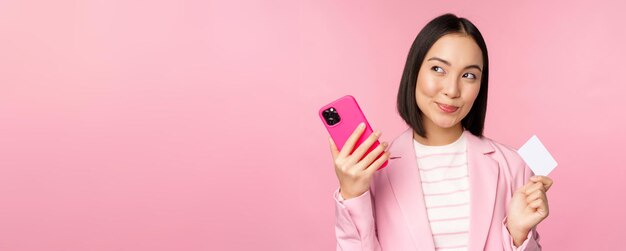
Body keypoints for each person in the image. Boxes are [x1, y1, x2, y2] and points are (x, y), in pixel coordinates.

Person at [329, 13, 553, 251]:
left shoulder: (514, 165)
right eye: (438, 69)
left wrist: (517, 235)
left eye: (469, 75)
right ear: (414, 72)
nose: (452, 90)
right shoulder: (373, 171)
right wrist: (352, 194)